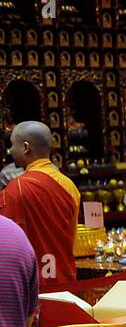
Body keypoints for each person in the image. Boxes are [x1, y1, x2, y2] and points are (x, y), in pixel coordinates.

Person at [0, 122, 79, 288]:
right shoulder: (69, 185)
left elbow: (7, 243)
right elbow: (71, 238)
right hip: (64, 278)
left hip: (30, 282)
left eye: (13, 144)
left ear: (26, 147)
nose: (11, 150)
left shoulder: (17, 188)